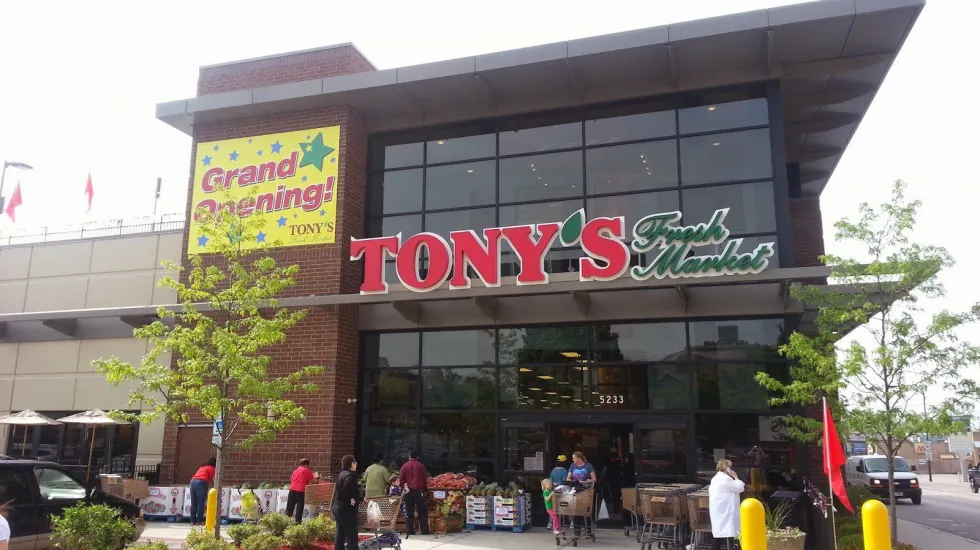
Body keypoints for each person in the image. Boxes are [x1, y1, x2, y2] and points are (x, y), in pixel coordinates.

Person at [708, 459, 745, 550]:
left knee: (719, 536)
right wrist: (736, 477)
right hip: (727, 511)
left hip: (719, 511)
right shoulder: (726, 479)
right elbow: (740, 488)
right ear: (727, 468)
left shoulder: (715, 478)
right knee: (732, 534)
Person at [332, 455, 362, 550]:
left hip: (338, 506)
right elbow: (347, 490)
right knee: (351, 534)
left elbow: (341, 490)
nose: (356, 464)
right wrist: (351, 500)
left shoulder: (342, 474)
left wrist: (361, 498)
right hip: (346, 509)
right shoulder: (350, 475)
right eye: (355, 462)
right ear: (352, 464)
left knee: (340, 533)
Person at [399, 449, 430, 536]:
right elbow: (424, 479)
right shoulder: (421, 466)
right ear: (417, 457)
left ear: (409, 456)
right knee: (422, 511)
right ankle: (424, 530)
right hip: (419, 491)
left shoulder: (404, 466)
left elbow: (401, 479)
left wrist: (404, 487)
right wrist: (425, 490)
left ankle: (410, 530)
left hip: (408, 491)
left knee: (409, 511)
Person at [286, 458, 316, 524]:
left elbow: (292, 480)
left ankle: (286, 521)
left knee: (290, 506)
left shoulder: (295, 471)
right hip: (300, 490)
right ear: (306, 464)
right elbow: (313, 481)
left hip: (292, 489)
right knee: (299, 507)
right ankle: (298, 522)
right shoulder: (306, 470)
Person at [189, 457, 216, 526]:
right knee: (200, 503)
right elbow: (214, 480)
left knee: (194, 503)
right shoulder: (213, 468)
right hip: (201, 483)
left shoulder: (202, 467)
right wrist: (214, 488)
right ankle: (199, 521)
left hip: (192, 482)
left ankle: (192, 521)